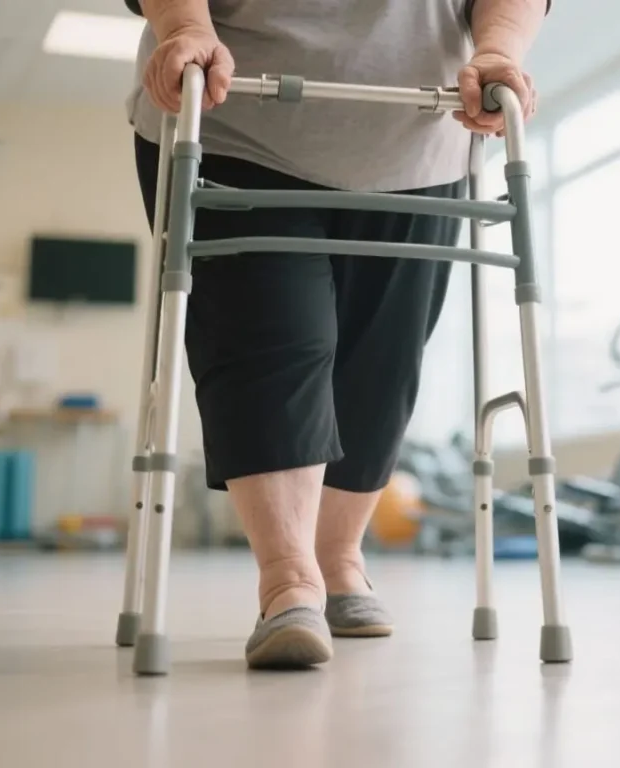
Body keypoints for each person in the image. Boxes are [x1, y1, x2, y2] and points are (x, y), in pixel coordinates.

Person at [126, 0, 549, 669]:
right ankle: (289, 579)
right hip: (235, 121)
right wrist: (185, 28)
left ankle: (339, 556)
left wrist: (499, 47)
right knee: (269, 341)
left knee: (382, 360)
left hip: (419, 136)